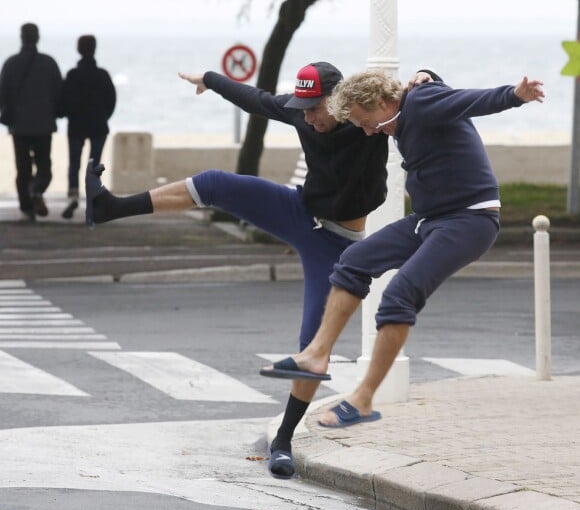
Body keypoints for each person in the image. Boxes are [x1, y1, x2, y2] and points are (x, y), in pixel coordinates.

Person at [83, 62, 440, 479]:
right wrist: (211, 81)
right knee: (216, 183)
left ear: (340, 101)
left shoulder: (365, 122)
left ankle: (283, 440)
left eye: (314, 109)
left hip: (337, 243)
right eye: (301, 109)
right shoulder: (301, 113)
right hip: (298, 211)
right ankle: (111, 207)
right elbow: (257, 100)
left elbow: (410, 103)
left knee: (313, 348)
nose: (306, 117)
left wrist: (426, 76)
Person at [260, 71, 545, 430]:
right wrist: (430, 73)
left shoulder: (423, 102)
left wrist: (515, 94)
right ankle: (315, 355)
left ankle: (362, 400)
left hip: (469, 220)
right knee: (352, 261)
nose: (367, 132)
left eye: (365, 123)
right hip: (429, 219)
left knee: (398, 296)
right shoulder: (404, 109)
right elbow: (428, 88)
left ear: (380, 103)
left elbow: (470, 100)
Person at [0, 23, 62, 221]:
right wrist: (58, 113)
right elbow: (59, 94)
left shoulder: (11, 64)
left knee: (23, 167)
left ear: (21, 37)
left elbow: (2, 95)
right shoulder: (49, 63)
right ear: (37, 38)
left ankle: (27, 209)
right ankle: (37, 189)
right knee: (45, 166)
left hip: (19, 126)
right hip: (44, 125)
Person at [59, 34, 116, 219]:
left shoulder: (72, 75)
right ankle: (93, 198)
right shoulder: (102, 75)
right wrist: (103, 117)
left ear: (78, 49)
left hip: (76, 125)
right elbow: (111, 100)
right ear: (94, 49)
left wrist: (70, 115)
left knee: (74, 162)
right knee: (94, 163)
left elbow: (63, 100)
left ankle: (73, 195)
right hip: (99, 125)